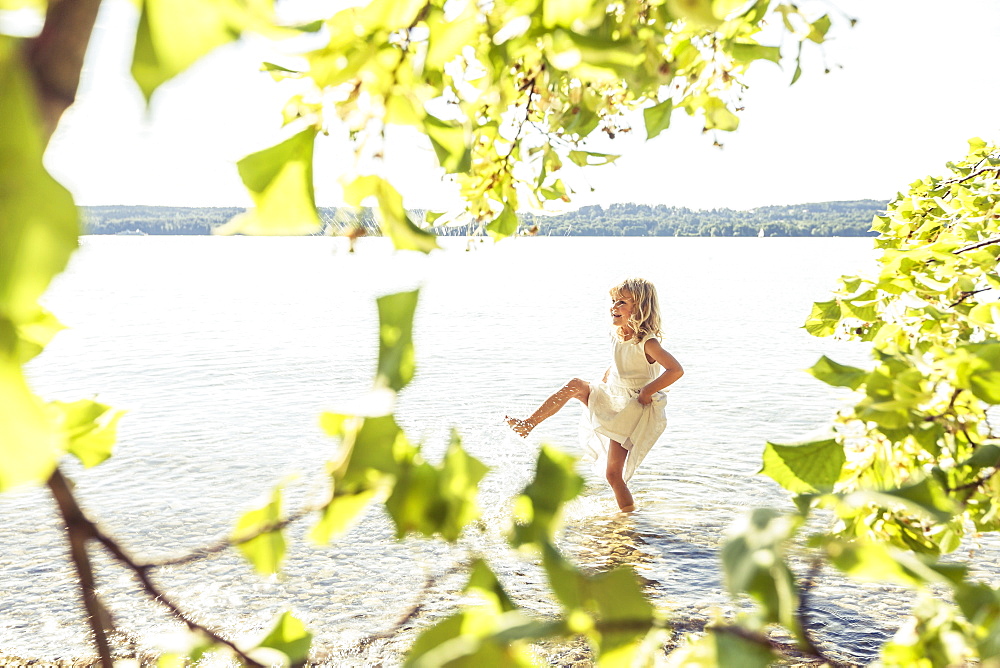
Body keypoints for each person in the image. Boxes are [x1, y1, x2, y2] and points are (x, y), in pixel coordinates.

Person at [506, 278, 684, 512]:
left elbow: (676, 370)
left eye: (621, 302)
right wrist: (602, 384)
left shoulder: (647, 343)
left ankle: (628, 520)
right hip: (612, 395)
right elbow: (617, 365)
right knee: (575, 385)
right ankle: (528, 424)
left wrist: (648, 391)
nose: (613, 307)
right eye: (612, 301)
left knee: (613, 475)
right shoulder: (618, 335)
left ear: (639, 307)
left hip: (632, 408)